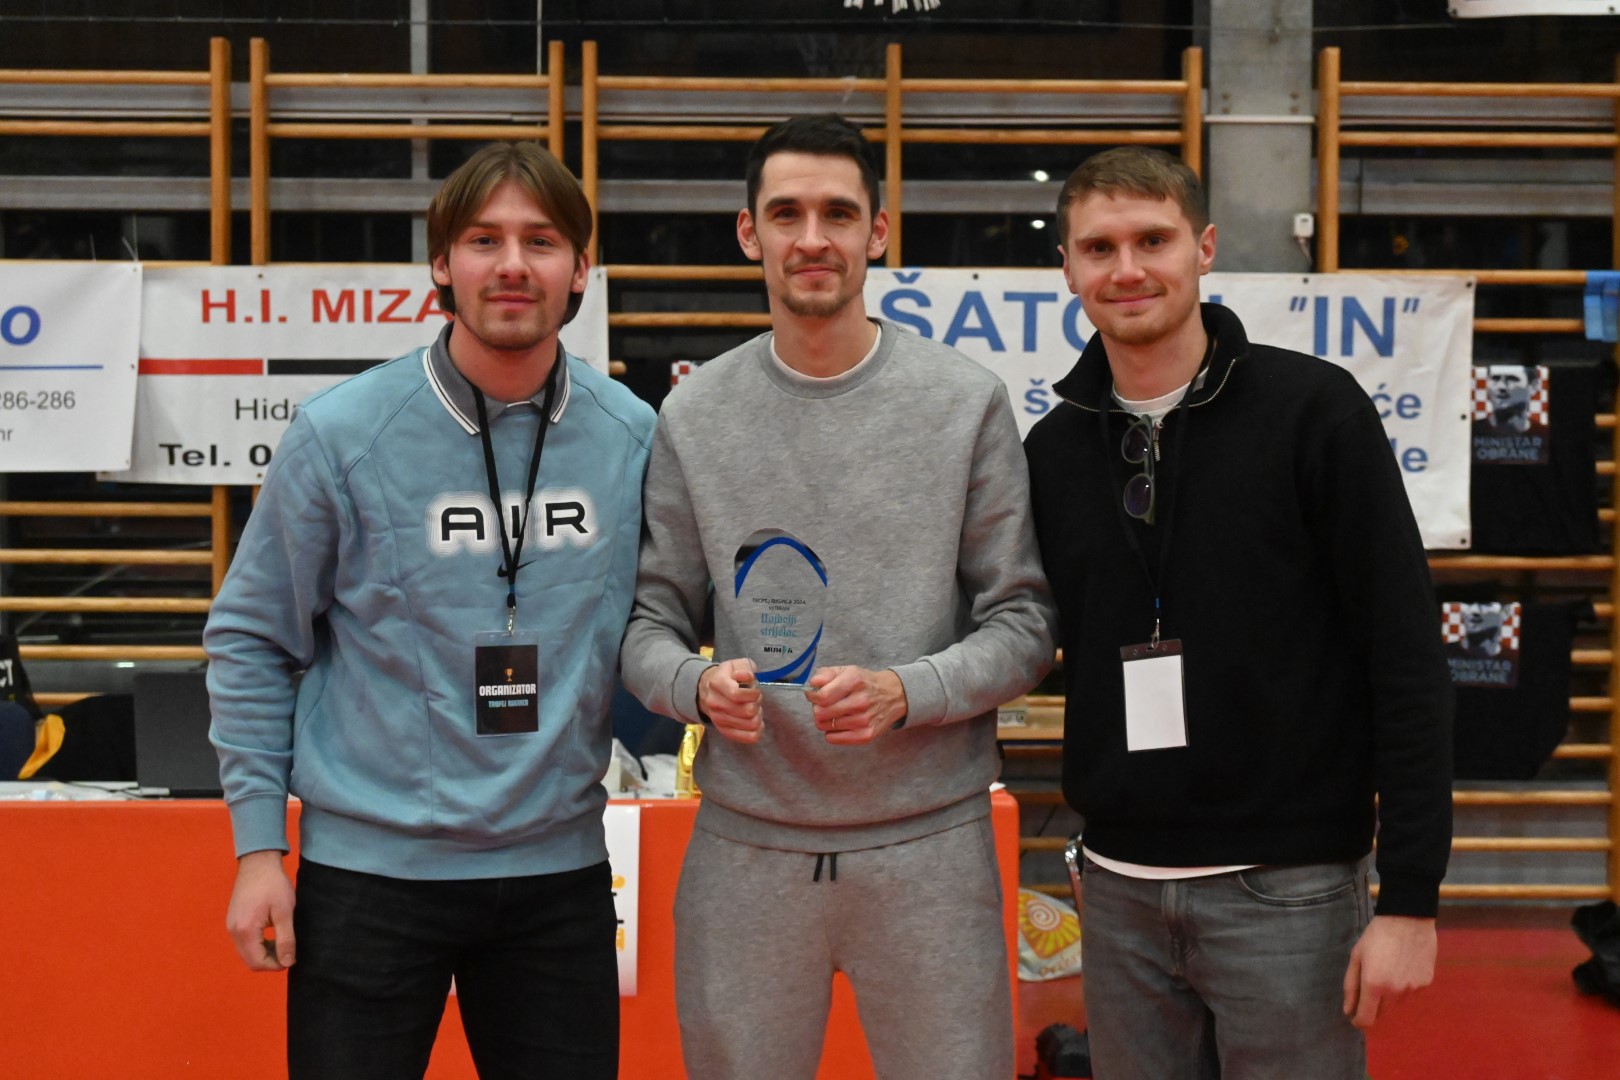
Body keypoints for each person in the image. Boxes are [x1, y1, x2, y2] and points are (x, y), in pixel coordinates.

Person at [205, 141, 655, 1080]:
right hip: (370, 880)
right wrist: (257, 850)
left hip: (559, 878)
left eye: (541, 241)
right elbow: (252, 639)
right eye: (484, 240)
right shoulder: (341, 434)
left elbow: (663, 622)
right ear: (441, 266)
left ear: (581, 270)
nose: (513, 264)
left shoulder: (634, 437)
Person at [619, 113, 1055, 1080]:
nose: (812, 238)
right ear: (750, 233)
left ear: (878, 231)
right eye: (786, 214)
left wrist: (910, 690)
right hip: (746, 849)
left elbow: (1024, 622)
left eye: (838, 213)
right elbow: (649, 624)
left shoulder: (964, 401)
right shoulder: (695, 413)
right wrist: (694, 686)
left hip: (932, 843)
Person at [1023, 147, 1453, 1080]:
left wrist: (1412, 897)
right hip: (1121, 892)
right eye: (1099, 247)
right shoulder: (1053, 451)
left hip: (1290, 889)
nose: (1128, 269)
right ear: (1067, 268)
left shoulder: (1314, 412)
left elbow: (1406, 656)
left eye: (1153, 240)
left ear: (1205, 247)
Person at [1484, 363, 1539, 434]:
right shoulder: (1473, 430)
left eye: (1512, 379)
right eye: (1495, 378)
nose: (1502, 386)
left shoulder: (1544, 434)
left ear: (1533, 386)